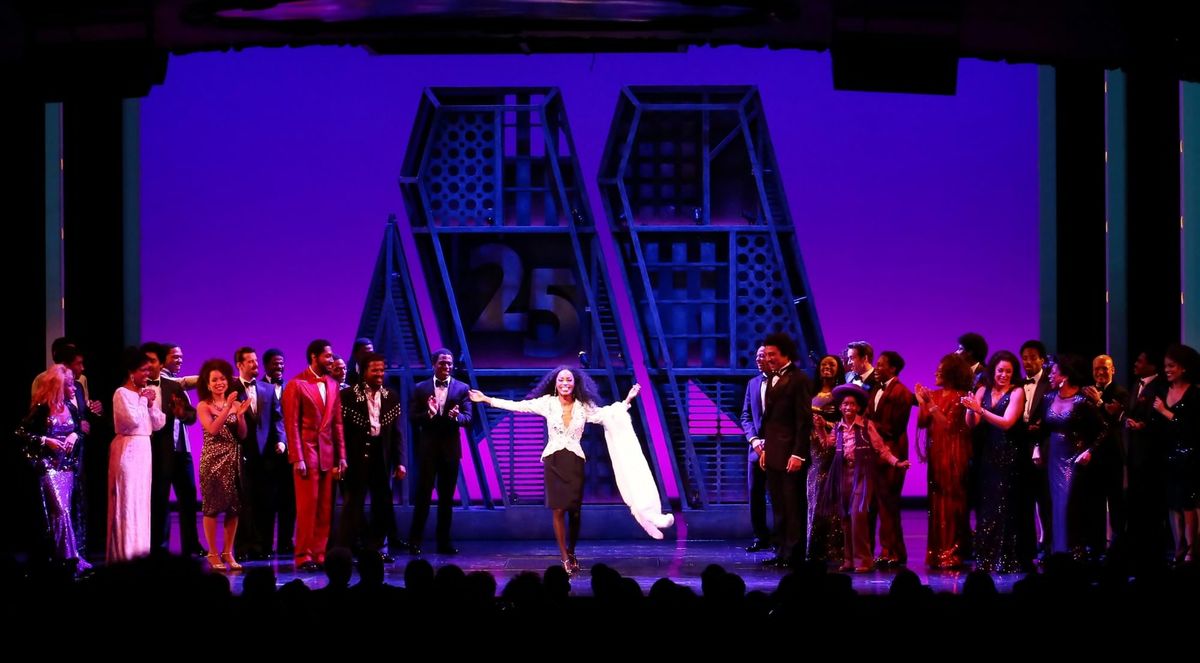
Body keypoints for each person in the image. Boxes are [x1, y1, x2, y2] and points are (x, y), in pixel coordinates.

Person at [469, 367, 672, 574]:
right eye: (561, 380)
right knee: (558, 510)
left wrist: (627, 400)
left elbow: (608, 415)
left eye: (569, 380)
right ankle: (564, 556)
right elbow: (518, 406)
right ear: (555, 383)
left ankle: (572, 550)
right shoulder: (547, 403)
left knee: (574, 511)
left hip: (575, 461)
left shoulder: (584, 406)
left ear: (575, 383)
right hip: (553, 460)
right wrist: (486, 399)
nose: (565, 383)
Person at [15, 365, 89, 572]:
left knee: (64, 512)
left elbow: (79, 431)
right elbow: (21, 433)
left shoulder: (71, 408)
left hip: (67, 468)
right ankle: (71, 558)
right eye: (69, 385)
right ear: (59, 386)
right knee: (61, 510)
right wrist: (45, 440)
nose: (74, 389)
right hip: (50, 469)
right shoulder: (42, 409)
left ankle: (59, 558)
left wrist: (74, 435)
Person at [282, 339, 347, 572]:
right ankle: (303, 555)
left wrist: (342, 456)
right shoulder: (296, 384)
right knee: (307, 507)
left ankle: (319, 554)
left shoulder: (333, 384)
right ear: (314, 356)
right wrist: (297, 457)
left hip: (327, 454)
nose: (331, 360)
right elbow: (291, 425)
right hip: (307, 454)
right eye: (327, 356)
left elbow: (337, 424)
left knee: (324, 508)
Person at [338, 352, 406, 561]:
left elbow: (397, 433)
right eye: (374, 370)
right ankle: (348, 551)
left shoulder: (391, 396)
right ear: (363, 371)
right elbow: (339, 432)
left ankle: (376, 550)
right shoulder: (347, 396)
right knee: (353, 504)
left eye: (382, 370)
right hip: (355, 457)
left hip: (381, 456)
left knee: (382, 504)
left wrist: (400, 462)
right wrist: (340, 459)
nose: (379, 374)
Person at [408, 349, 471, 555]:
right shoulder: (421, 388)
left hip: (450, 451)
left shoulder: (462, 388)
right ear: (434, 364)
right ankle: (415, 541)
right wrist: (429, 413)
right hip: (427, 450)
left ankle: (443, 542)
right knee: (423, 497)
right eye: (442, 363)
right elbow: (413, 417)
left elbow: (468, 418)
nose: (446, 366)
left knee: (446, 500)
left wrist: (456, 417)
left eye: (449, 363)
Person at [915, 353, 974, 569]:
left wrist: (930, 404)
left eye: (940, 370)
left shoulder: (961, 397)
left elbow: (949, 425)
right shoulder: (935, 394)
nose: (936, 373)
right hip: (937, 454)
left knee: (952, 503)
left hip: (954, 455)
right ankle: (937, 552)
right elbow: (923, 422)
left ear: (951, 373)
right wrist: (922, 401)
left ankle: (952, 551)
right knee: (936, 502)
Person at [107, 347, 166, 563]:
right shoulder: (121, 393)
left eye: (148, 370)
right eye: (143, 370)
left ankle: (141, 555)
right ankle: (125, 557)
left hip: (144, 450)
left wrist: (150, 404)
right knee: (128, 502)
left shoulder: (145, 393)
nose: (147, 374)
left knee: (141, 503)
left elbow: (159, 423)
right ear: (131, 372)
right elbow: (131, 421)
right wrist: (143, 401)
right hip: (128, 450)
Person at [196, 358, 251, 571]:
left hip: (233, 459)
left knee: (234, 508)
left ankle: (228, 551)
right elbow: (212, 430)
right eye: (214, 380)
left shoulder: (236, 405)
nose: (220, 383)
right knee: (212, 508)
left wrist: (241, 417)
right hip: (212, 461)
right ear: (208, 384)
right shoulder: (204, 406)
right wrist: (227, 407)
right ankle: (212, 552)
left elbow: (242, 435)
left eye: (222, 379)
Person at [739, 345, 771, 553]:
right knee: (755, 494)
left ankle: (783, 537)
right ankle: (760, 536)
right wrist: (754, 440)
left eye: (763, 356)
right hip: (756, 449)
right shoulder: (753, 383)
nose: (759, 359)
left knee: (779, 496)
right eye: (757, 356)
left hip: (778, 448)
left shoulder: (782, 382)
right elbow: (746, 416)